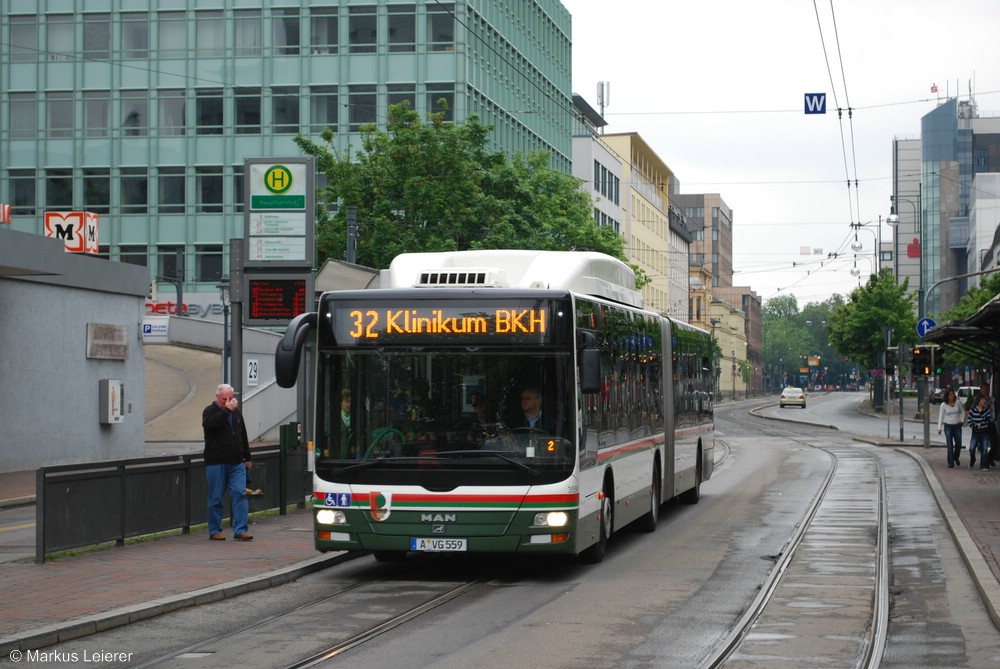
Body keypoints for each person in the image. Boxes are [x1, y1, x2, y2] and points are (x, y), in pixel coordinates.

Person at [202, 383, 253, 541]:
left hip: (236, 461)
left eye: (231, 398)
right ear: (217, 398)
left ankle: (240, 529)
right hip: (217, 462)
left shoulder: (236, 413)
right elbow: (211, 425)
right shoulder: (210, 411)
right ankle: (215, 530)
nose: (228, 401)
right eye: (225, 399)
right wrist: (226, 410)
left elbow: (242, 434)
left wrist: (247, 456)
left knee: (240, 494)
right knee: (216, 498)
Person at [936, 389, 964, 468]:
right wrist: (939, 428)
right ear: (947, 396)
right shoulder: (943, 405)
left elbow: (963, 411)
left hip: (957, 425)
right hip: (948, 426)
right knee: (950, 444)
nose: (952, 396)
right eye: (950, 394)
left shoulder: (958, 402)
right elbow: (941, 417)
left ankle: (956, 457)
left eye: (953, 394)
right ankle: (950, 462)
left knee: (959, 443)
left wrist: (962, 421)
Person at [967, 393, 992, 470]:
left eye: (984, 400)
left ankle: (983, 465)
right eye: (982, 400)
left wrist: (986, 414)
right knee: (972, 448)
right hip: (975, 433)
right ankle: (973, 459)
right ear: (979, 401)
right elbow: (969, 421)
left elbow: (989, 419)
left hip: (984, 432)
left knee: (984, 449)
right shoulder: (973, 410)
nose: (984, 401)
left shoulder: (985, 410)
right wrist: (975, 426)